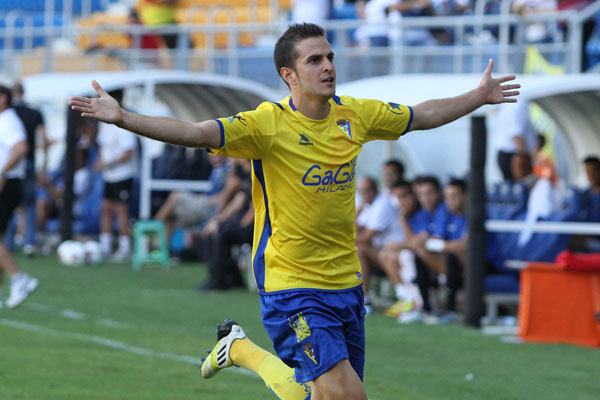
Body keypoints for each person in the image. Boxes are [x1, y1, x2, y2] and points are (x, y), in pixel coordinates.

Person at [69, 22, 519, 400]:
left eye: (329, 57)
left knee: (318, 395)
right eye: (314, 60)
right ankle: (243, 349)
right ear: (289, 74)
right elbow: (193, 131)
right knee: (348, 395)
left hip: (346, 283)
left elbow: (421, 115)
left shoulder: (355, 116)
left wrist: (477, 96)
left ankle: (241, 349)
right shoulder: (267, 124)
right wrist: (124, 117)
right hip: (292, 284)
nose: (327, 67)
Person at [0, 85, 39, 309]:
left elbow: (20, 148)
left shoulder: (8, 121)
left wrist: (2, 172)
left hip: (7, 183)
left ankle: (19, 278)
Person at [94, 90, 138, 261]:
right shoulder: (103, 122)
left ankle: (125, 247)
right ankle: (105, 247)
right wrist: (100, 162)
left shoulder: (123, 122)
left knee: (121, 209)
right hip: (108, 175)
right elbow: (103, 147)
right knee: (105, 208)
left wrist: (108, 163)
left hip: (123, 174)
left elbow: (129, 151)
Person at [6, 82, 48, 256]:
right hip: (29, 163)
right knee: (29, 204)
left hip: (11, 165)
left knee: (8, 205)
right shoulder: (35, 112)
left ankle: (8, 243)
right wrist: (44, 163)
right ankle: (29, 241)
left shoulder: (8, 115)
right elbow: (43, 139)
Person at [494, 99, 536, 181]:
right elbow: (516, 135)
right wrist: (526, 158)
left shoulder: (510, 104)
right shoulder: (519, 105)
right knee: (520, 187)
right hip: (514, 155)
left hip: (511, 154)